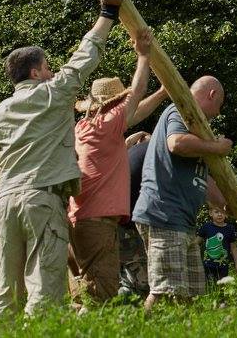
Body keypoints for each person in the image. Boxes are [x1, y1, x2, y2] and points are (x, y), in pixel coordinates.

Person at [0, 0, 125, 322]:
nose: (53, 71)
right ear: (35, 73)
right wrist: (108, 12)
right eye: (47, 67)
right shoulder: (52, 94)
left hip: (5, 202)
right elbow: (84, 58)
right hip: (41, 200)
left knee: (4, 287)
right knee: (45, 285)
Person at [68, 29, 169, 306]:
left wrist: (161, 94)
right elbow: (136, 93)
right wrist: (143, 55)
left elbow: (134, 113)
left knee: (84, 293)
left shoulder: (84, 127)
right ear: (113, 104)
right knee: (100, 293)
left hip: (79, 219)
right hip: (97, 222)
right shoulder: (109, 124)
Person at [131, 75, 233, 312]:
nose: (217, 113)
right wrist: (217, 147)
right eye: (219, 105)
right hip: (164, 214)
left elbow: (201, 178)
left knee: (190, 294)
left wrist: (225, 204)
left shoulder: (197, 128)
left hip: (183, 222)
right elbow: (176, 143)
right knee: (164, 292)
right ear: (212, 95)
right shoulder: (179, 111)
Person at [118, 131, 151, 297]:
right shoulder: (148, 153)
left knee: (130, 276)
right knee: (140, 281)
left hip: (115, 220)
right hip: (127, 225)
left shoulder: (127, 156)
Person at [198, 204, 237, 285]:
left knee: (222, 288)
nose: (220, 214)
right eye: (216, 212)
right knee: (209, 287)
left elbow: (234, 247)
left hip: (223, 266)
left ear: (226, 214)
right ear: (211, 213)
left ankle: (222, 298)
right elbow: (197, 242)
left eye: (222, 212)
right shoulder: (207, 227)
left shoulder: (230, 228)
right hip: (208, 265)